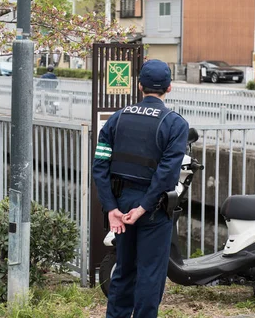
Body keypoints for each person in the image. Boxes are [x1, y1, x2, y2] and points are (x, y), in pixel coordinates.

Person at [93, 59, 189, 318]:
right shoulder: (175, 124)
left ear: (139, 86)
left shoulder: (117, 119)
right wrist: (144, 207)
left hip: (122, 203)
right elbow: (167, 174)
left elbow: (99, 166)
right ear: (169, 88)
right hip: (154, 208)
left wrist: (112, 208)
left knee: (124, 269)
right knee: (150, 273)